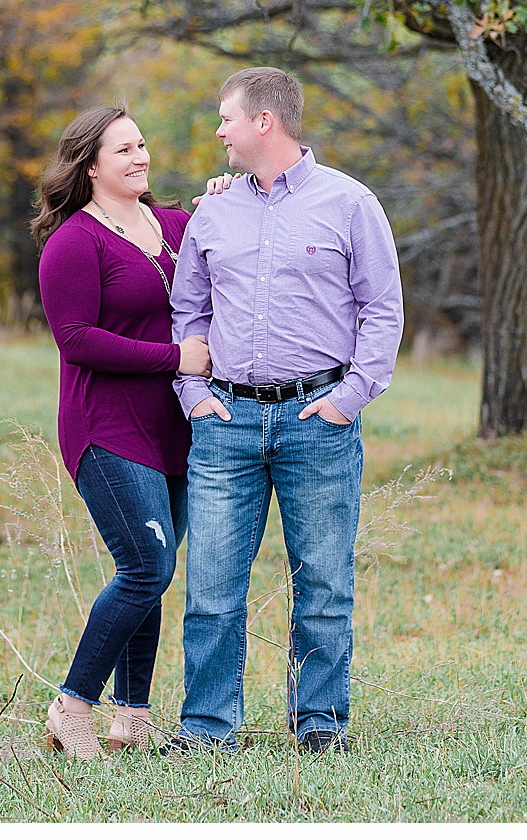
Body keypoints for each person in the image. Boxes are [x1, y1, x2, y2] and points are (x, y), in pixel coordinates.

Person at [169, 66, 404, 754]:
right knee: (211, 589)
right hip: (225, 423)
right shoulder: (213, 210)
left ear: (263, 122)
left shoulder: (350, 204)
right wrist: (194, 395)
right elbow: (190, 309)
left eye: (226, 119)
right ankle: (208, 731)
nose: (219, 132)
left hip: (317, 421)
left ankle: (321, 727)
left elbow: (383, 308)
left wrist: (350, 399)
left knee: (324, 586)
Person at [33, 105, 212, 759]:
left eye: (142, 145)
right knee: (147, 564)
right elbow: (76, 341)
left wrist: (226, 196)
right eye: (123, 151)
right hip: (105, 429)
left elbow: (227, 250)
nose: (140, 158)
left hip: (175, 430)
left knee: (152, 570)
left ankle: (132, 719)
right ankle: (72, 705)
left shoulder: (174, 225)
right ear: (89, 166)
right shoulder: (74, 242)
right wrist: (176, 359)